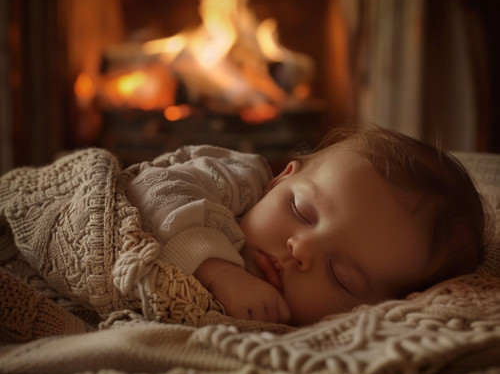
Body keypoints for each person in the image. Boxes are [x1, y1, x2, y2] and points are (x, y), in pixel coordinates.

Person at [126, 125, 488, 326]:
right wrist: (219, 271)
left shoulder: (292, 332)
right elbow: (151, 188)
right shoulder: (237, 182)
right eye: (301, 211)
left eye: (340, 275)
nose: (300, 249)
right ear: (280, 180)